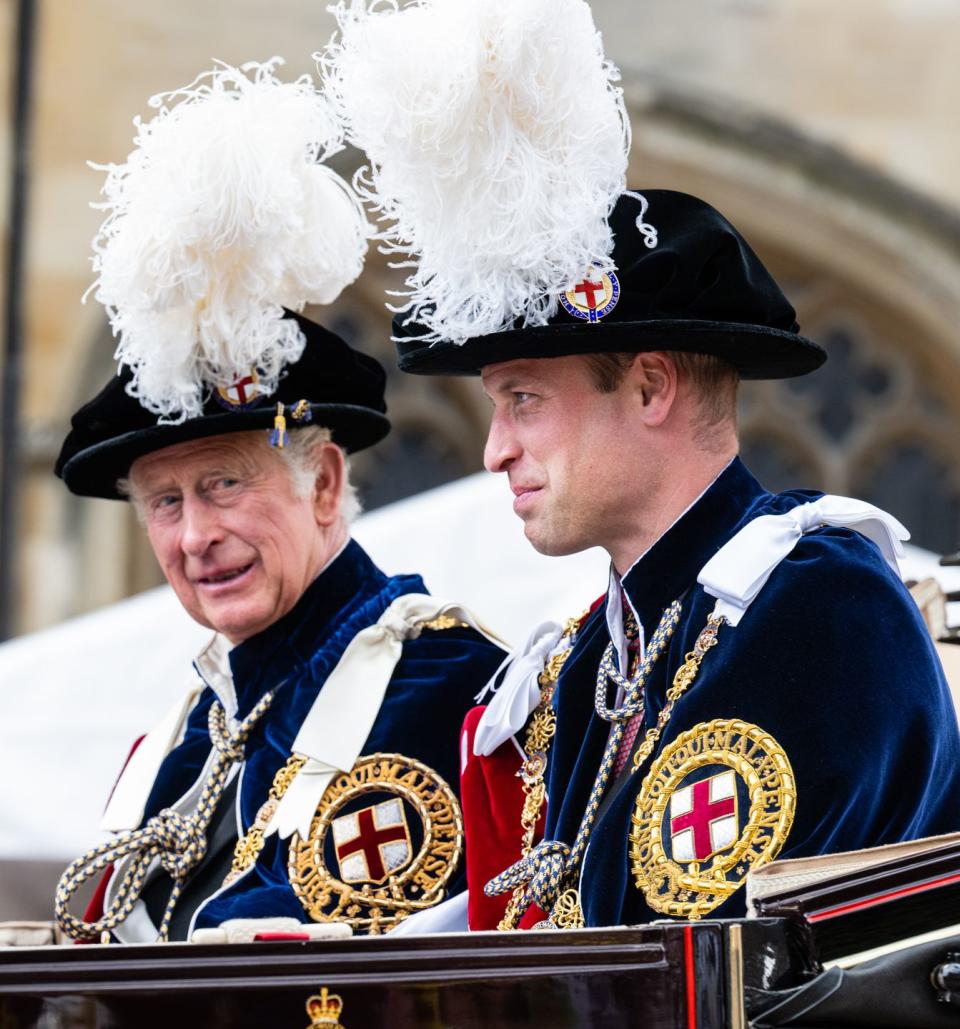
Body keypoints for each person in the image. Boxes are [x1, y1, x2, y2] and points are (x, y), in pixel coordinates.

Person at [319, 0, 960, 930]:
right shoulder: (587, 657)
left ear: (652, 385)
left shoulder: (816, 600)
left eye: (525, 401)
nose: (496, 447)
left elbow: (704, 946)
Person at [51, 60, 505, 944]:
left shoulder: (438, 680)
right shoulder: (192, 726)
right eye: (165, 502)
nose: (195, 535)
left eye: (223, 483)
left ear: (325, 483)